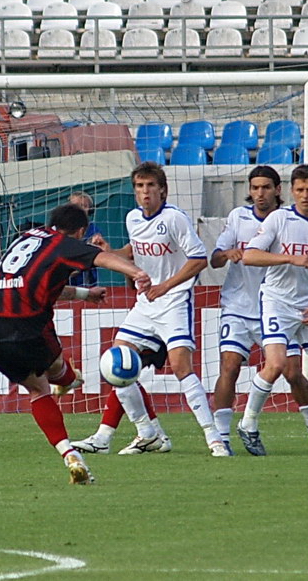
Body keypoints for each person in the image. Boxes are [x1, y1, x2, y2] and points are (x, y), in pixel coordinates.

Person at [0, 202, 152, 484]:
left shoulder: (27, 238)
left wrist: (86, 294)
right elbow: (102, 258)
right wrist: (137, 274)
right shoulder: (64, 245)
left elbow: (44, 286)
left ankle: (70, 454)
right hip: (26, 324)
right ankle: (69, 380)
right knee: (57, 369)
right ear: (80, 230)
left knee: (37, 390)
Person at [73, 162, 230, 457]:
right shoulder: (133, 218)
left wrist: (166, 286)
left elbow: (199, 259)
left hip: (173, 301)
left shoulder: (174, 218)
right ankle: (146, 432)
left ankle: (215, 439)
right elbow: (134, 252)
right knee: (115, 362)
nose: (144, 192)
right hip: (145, 304)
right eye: (139, 186)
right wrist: (108, 251)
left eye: (150, 186)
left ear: (162, 190)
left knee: (182, 367)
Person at [209, 166, 308, 456]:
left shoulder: (291, 220)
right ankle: (221, 439)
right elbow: (215, 259)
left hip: (279, 307)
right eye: (255, 188)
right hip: (238, 306)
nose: (259, 193)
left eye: (266, 187)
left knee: (293, 372)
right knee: (229, 367)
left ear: (278, 190)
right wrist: (226, 254)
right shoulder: (237, 217)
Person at [237, 164, 308, 456]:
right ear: (291, 191)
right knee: (277, 365)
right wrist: (289, 259)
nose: (305, 196)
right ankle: (248, 424)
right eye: (299, 190)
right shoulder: (278, 219)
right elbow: (249, 256)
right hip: (277, 302)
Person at [67, 191, 102, 287]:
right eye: (76, 205)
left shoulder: (93, 229)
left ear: (89, 209)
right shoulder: (60, 229)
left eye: (84, 206)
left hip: (87, 282)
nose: (79, 209)